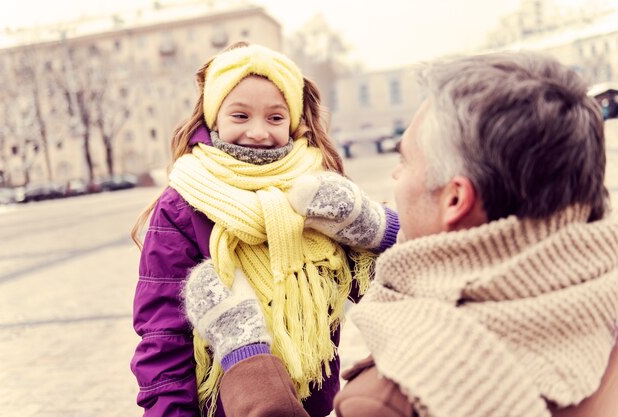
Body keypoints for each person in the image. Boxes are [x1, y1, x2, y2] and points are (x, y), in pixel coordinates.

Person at [186, 51, 618, 417]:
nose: (395, 174)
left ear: (455, 200)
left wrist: (246, 359)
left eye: (406, 159)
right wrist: (385, 231)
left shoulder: (390, 398)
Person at [129, 41, 399, 417]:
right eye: (240, 116)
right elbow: (163, 334)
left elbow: (385, 287)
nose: (258, 132)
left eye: (275, 118)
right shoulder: (182, 205)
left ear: (293, 121)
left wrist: (380, 228)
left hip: (313, 403)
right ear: (213, 117)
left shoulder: (318, 191)